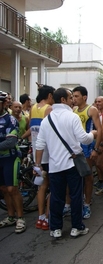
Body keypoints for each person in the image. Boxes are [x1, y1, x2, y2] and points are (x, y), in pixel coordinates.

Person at [35, 88, 96, 239]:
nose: (73, 100)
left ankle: (55, 228)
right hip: (72, 164)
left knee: (57, 196)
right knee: (76, 196)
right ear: (63, 99)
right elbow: (84, 139)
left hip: (55, 165)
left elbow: (40, 145)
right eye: (70, 97)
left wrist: (37, 164)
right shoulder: (72, 116)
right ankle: (77, 227)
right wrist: (93, 134)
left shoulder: (46, 120)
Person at [21, 85, 54, 230]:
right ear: (50, 96)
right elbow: (50, 131)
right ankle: (47, 217)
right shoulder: (49, 109)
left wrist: (21, 138)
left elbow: (31, 129)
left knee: (42, 186)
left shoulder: (33, 108)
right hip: (49, 154)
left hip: (37, 155)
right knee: (54, 188)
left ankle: (40, 217)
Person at [72, 86, 102, 219]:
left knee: (88, 176)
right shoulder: (73, 110)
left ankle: (87, 203)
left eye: (76, 96)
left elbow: (99, 130)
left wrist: (95, 148)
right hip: (74, 147)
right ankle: (76, 202)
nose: (74, 99)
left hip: (87, 148)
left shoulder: (92, 110)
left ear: (84, 97)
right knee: (75, 176)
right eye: (72, 96)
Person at [0, 91, 26, 233]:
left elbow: (10, 142)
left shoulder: (11, 120)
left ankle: (20, 217)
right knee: (3, 188)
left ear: (4, 104)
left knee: (12, 188)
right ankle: (10, 217)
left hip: (11, 157)